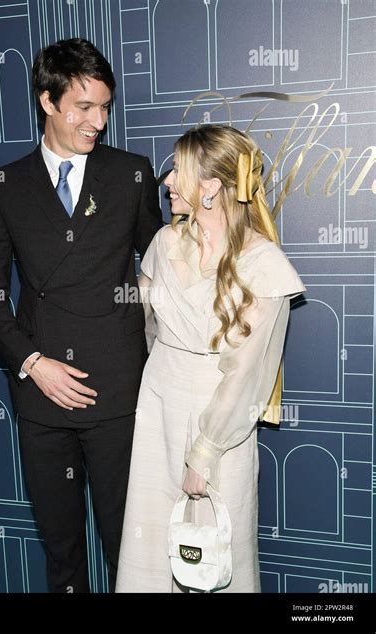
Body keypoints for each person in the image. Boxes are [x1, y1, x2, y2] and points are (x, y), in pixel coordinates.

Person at [0, 38, 163, 593]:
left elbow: (163, 278)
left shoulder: (131, 174)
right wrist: (34, 363)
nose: (98, 122)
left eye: (105, 107)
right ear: (47, 101)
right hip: (42, 398)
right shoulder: (5, 186)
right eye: (84, 107)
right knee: (62, 557)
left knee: (129, 553)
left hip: (118, 394)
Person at [116, 124, 306, 592]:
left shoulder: (263, 265)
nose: (166, 183)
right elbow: (144, 327)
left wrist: (204, 452)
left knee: (216, 553)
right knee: (152, 549)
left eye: (177, 171)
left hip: (218, 426)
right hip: (157, 408)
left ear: (211, 187)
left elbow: (249, 373)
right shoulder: (164, 244)